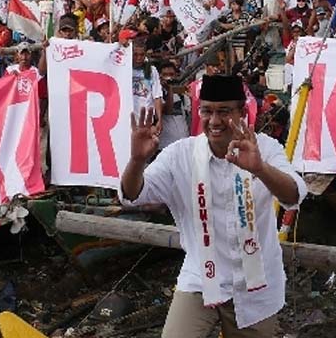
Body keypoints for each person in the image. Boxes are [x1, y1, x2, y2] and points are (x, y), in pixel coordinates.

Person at [120, 74, 307, 338]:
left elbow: (294, 195)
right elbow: (132, 195)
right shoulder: (180, 154)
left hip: (255, 283)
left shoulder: (264, 148)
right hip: (201, 276)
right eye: (207, 111)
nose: (215, 121)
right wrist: (137, 160)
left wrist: (260, 169)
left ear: (242, 112)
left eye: (224, 112)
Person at [132, 38, 163, 135]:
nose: (139, 58)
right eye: (135, 54)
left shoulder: (151, 70)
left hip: (147, 120)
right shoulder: (125, 69)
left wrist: (159, 119)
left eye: (142, 55)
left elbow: (157, 96)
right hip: (129, 119)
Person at [158, 60, 190, 150]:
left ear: (176, 75)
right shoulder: (157, 95)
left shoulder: (182, 94)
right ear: (160, 76)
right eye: (165, 74)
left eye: (171, 74)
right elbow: (167, 110)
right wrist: (169, 91)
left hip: (184, 145)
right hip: (165, 146)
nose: (169, 78)